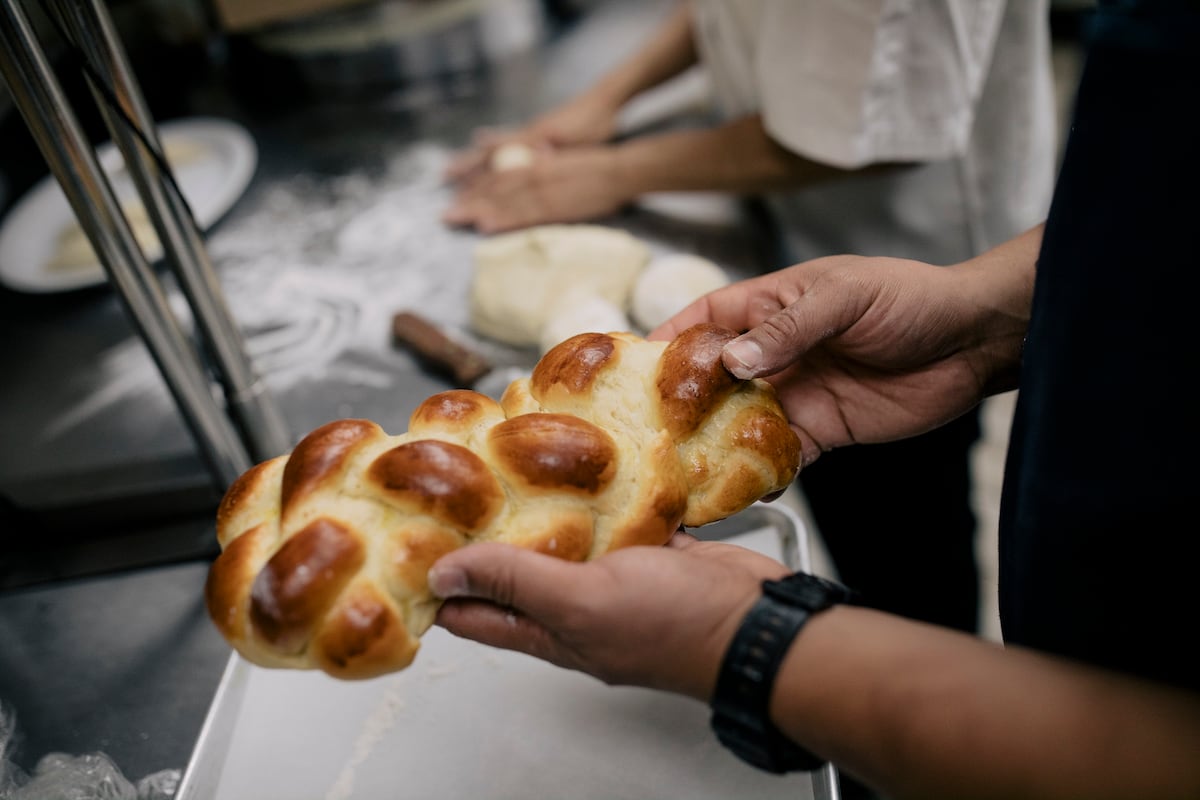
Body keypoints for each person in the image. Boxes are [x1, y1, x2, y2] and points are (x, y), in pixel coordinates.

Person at [426, 1, 1200, 796]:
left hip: (1115, 642)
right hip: (1088, 473)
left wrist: (750, 643)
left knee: (911, 557)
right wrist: (984, 319)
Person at [444, 1, 1058, 637]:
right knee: (813, 448)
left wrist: (616, 171)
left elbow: (882, 128)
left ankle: (928, 685)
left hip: (924, 249)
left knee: (902, 534)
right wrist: (605, 102)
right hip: (803, 234)